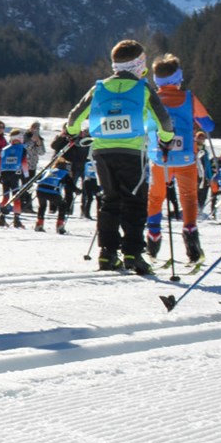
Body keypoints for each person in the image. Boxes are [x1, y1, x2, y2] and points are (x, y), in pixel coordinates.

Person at [64, 39, 177, 275]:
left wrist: (72, 133)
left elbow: (74, 118)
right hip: (132, 152)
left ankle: (107, 253)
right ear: (139, 64)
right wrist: (166, 139)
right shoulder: (143, 89)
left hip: (102, 153)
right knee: (134, 201)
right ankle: (133, 253)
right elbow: (164, 121)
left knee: (110, 200)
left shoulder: (99, 88)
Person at [144, 54, 215, 266]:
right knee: (188, 197)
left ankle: (153, 237)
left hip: (160, 157)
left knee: (156, 197)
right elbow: (208, 125)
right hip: (186, 158)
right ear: (178, 78)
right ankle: (191, 235)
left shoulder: (151, 98)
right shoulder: (189, 98)